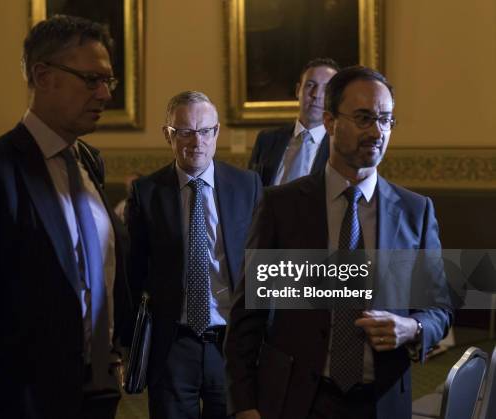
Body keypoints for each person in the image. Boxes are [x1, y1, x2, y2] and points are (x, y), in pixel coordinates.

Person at [225, 66, 452, 419]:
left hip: (382, 401)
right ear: (330, 122)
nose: (377, 131)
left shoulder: (415, 212)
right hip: (296, 400)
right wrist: (245, 404)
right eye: (364, 118)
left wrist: (413, 328)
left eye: (386, 120)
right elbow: (247, 316)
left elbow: (440, 308)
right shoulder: (281, 206)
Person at [0, 15, 130, 419]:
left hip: (98, 394)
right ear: (44, 75)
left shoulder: (88, 162)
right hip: (23, 401)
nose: (105, 94)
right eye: (91, 80)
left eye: (109, 81)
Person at [125, 91, 262, 419]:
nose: (196, 141)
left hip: (231, 343)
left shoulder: (248, 186)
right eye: (184, 131)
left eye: (205, 131)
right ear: (168, 135)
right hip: (173, 343)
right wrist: (126, 343)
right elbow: (133, 272)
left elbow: (262, 261)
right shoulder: (147, 193)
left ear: (216, 133)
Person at [248, 58, 339, 186]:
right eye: (310, 85)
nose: (316, 94)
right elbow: (251, 190)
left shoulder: (340, 148)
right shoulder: (266, 140)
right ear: (298, 90)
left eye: (326, 89)